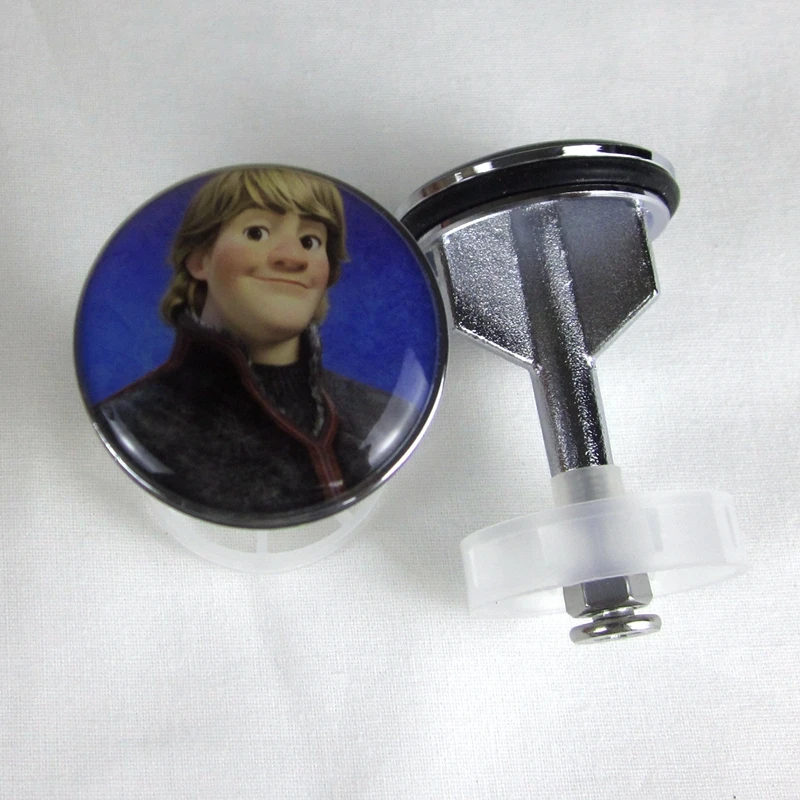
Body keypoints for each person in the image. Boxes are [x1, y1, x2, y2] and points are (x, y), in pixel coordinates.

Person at [96, 167, 414, 517]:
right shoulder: (132, 421)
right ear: (200, 259)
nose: (292, 257)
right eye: (257, 233)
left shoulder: (383, 412)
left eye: (310, 241)